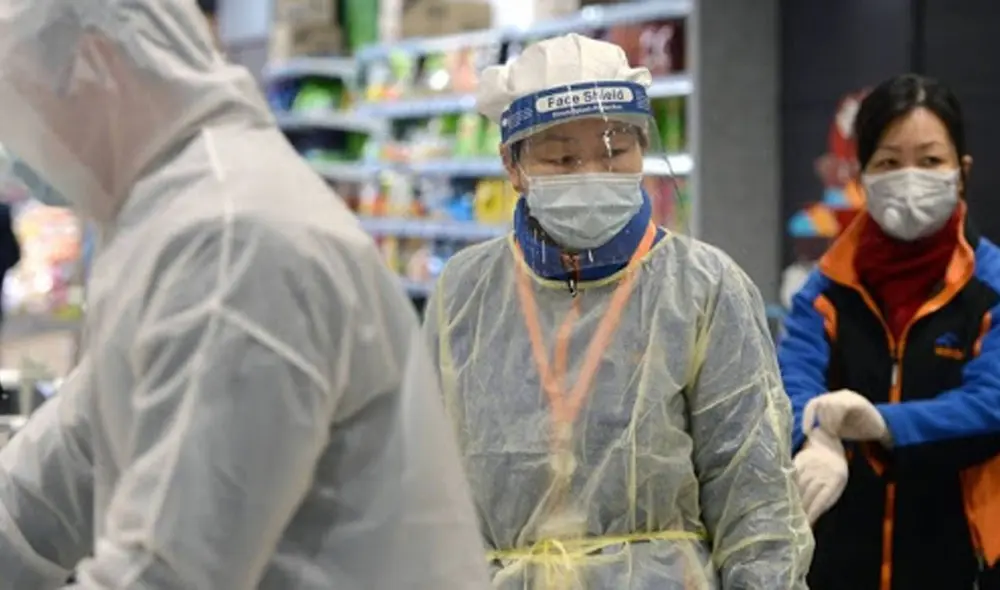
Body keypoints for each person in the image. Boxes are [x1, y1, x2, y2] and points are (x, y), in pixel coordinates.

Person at [0, 2, 490, 589]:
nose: (14, 143)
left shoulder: (232, 238)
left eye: (15, 109)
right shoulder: (168, 221)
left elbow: (168, 570)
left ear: (94, 65)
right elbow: (67, 464)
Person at [423, 33, 813, 589]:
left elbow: (756, 499)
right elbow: (426, 483)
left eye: (615, 150)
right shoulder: (464, 293)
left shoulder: (703, 287)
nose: (591, 171)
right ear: (513, 165)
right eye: (561, 157)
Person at [779, 73, 1000, 590]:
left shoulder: (991, 286)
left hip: (962, 565)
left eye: (929, 161)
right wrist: (811, 434)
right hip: (837, 563)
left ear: (961, 171)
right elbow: (788, 384)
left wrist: (882, 424)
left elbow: (992, 403)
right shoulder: (825, 291)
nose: (909, 177)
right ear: (862, 175)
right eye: (888, 162)